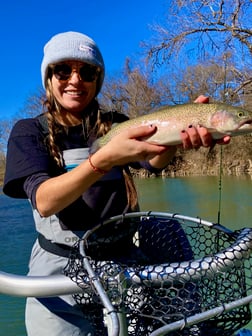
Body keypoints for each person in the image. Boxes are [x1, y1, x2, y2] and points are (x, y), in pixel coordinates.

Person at [3, 31, 230, 336]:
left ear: (97, 78)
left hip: (123, 258)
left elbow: (153, 163)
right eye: (62, 70)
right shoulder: (28, 132)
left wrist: (175, 139)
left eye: (86, 71)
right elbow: (45, 202)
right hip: (59, 268)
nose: (75, 79)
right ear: (48, 78)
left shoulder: (118, 124)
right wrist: (103, 160)